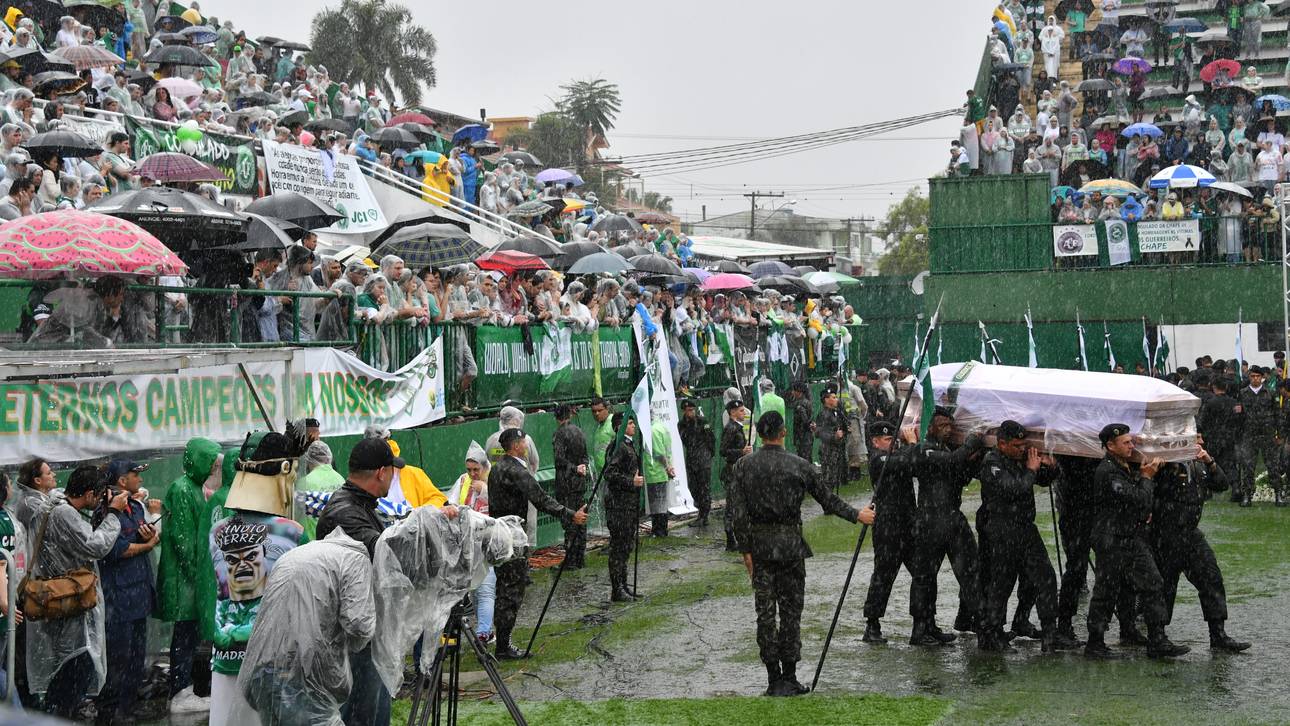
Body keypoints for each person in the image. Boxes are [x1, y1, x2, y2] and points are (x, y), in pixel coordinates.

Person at [730, 411, 870, 697]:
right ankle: (790, 676)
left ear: (759, 434)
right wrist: (857, 515)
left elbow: (738, 514)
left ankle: (774, 677)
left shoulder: (744, 466)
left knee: (765, 614)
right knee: (791, 613)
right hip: (790, 545)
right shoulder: (800, 466)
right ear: (783, 433)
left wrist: (745, 550)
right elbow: (828, 501)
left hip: (760, 547)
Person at [317, 437, 416, 726]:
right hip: (353, 636)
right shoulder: (345, 512)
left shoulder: (360, 504)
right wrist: (426, 529)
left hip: (363, 629)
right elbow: (386, 551)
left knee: (372, 708)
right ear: (381, 473)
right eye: (392, 470)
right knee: (362, 712)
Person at [240, 526, 375, 726]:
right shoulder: (356, 559)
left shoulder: (297, 555)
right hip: (302, 675)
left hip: (260, 670)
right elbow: (359, 625)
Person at [27, 465, 127, 720]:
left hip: (58, 599)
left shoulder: (53, 504)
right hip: (67, 602)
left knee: (66, 674)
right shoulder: (64, 513)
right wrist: (113, 513)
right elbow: (95, 545)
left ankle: (56, 715)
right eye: (100, 493)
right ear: (91, 493)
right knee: (74, 672)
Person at [1086, 424, 1188, 659]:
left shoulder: (1124, 467)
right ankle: (1095, 642)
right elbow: (1139, 499)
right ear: (1110, 446)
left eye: (1131, 441)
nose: (1131, 446)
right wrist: (1146, 477)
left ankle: (1157, 639)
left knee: (1153, 583)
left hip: (1130, 537)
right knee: (1106, 591)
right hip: (1111, 540)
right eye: (1126, 442)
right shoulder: (1108, 472)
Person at [976, 421, 1075, 653]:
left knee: (1046, 579)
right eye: (1017, 445)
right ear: (1002, 444)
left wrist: (1050, 467)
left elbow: (1043, 480)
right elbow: (1013, 489)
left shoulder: (1019, 459)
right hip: (1002, 530)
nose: (1022, 449)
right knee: (1001, 585)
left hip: (1025, 529)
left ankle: (1050, 634)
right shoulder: (992, 463)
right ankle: (993, 634)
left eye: (1024, 444)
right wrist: (1031, 468)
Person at [488, 428, 588, 660]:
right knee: (511, 590)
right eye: (523, 442)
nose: (526, 445)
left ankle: (503, 641)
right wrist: (570, 514)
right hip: (512, 536)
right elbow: (541, 499)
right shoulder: (515, 470)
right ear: (515, 446)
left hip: (501, 533)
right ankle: (503, 645)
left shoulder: (497, 468)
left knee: (505, 587)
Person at [1150, 435, 1250, 652]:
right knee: (1164, 586)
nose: (1201, 444)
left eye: (1201, 440)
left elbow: (1222, 484)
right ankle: (1157, 637)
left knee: (1211, 577)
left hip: (1191, 533)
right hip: (1165, 534)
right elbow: (1149, 489)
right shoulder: (1166, 462)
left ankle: (1218, 635)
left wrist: (1210, 462)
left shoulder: (1198, 464)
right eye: (1196, 440)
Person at [909, 408, 987, 643]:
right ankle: (921, 628)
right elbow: (952, 462)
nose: (948, 430)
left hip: (952, 518)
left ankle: (979, 624)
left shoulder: (947, 449)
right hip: (930, 521)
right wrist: (973, 441)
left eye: (950, 426)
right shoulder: (924, 449)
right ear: (929, 427)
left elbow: (961, 475)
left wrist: (976, 457)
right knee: (925, 577)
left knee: (971, 573)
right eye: (942, 425)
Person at [156, 439, 221, 714]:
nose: (213, 468)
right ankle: (181, 691)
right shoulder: (182, 489)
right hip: (185, 581)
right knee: (184, 637)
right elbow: (184, 540)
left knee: (190, 636)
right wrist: (200, 575)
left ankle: (185, 688)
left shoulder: (193, 487)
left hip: (190, 580)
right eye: (211, 463)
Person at [97, 459, 160, 724]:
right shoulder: (106, 513)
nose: (140, 479)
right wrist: (148, 545)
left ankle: (129, 707)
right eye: (135, 475)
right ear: (122, 480)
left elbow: (138, 537)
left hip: (138, 594)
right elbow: (116, 550)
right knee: (118, 659)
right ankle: (110, 712)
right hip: (118, 599)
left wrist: (146, 537)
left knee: (136, 656)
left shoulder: (134, 507)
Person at [859, 421, 918, 644]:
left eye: (893, 438)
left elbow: (914, 463)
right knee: (884, 576)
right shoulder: (878, 459)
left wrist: (912, 446)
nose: (891, 442)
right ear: (875, 441)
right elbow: (904, 461)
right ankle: (872, 624)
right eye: (886, 439)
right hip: (888, 527)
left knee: (922, 575)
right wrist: (911, 444)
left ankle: (923, 622)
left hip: (908, 523)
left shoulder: (897, 455)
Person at [445, 442, 496, 641]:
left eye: (476, 469)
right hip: (467, 544)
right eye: (469, 469)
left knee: (485, 589)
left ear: (485, 467)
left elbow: (503, 503)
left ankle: (484, 632)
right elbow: (452, 502)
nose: (472, 473)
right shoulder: (463, 480)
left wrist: (484, 490)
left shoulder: (494, 478)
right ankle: (484, 628)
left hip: (488, 543)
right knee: (473, 591)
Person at [603, 412, 643, 602]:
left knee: (626, 545)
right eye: (630, 423)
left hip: (627, 504)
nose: (634, 426)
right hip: (619, 505)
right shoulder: (618, 446)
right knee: (619, 546)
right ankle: (617, 588)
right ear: (620, 426)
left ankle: (624, 585)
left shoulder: (628, 445)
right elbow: (610, 473)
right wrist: (630, 482)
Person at [552, 404, 590, 569]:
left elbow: (559, 459)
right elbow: (585, 457)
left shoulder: (559, 434)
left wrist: (573, 468)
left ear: (557, 418)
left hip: (566, 483)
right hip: (579, 483)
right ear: (570, 415)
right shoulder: (579, 432)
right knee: (580, 520)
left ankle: (571, 560)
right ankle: (579, 558)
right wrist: (581, 467)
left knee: (570, 521)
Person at [1237, 366, 1280, 506]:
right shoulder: (1242, 393)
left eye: (1257, 376)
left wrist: (1279, 433)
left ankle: (1278, 494)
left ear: (1262, 377)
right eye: (1252, 376)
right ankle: (1247, 495)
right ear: (1249, 377)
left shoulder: (1270, 392)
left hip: (1267, 434)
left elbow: (1277, 414)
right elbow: (1239, 415)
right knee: (1248, 467)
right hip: (1249, 434)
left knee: (1272, 465)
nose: (1255, 379)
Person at [721, 399, 752, 552]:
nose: (744, 413)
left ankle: (739, 535)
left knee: (739, 505)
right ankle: (730, 538)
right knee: (732, 506)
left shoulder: (738, 427)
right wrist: (741, 452)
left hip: (740, 470)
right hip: (732, 471)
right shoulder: (731, 428)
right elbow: (723, 451)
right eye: (740, 410)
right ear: (732, 413)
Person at [643, 417, 674, 537]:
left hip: (655, 472)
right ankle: (661, 529)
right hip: (660, 472)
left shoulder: (652, 430)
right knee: (660, 503)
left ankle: (659, 531)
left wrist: (667, 467)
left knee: (657, 504)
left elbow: (659, 453)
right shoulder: (660, 427)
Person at [813, 388, 849, 492]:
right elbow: (821, 433)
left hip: (836, 449)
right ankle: (828, 502)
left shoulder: (835, 412)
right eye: (833, 397)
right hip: (828, 451)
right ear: (826, 400)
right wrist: (835, 436)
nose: (836, 399)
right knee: (829, 479)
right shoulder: (824, 414)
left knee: (835, 478)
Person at [788, 382, 814, 461]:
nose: (792, 392)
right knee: (807, 458)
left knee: (803, 460)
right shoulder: (808, 402)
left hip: (803, 437)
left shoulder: (799, 404)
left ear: (798, 392)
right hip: (807, 437)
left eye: (794, 390)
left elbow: (805, 420)